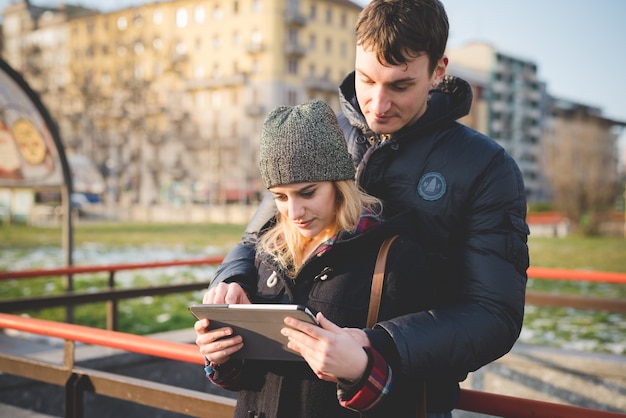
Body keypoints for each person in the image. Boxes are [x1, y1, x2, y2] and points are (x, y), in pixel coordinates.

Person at [203, 0, 530, 416]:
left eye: (400, 85)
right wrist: (230, 285)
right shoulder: (319, 133)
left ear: (438, 71)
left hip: (403, 399)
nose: (377, 104)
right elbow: (256, 238)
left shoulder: (486, 167)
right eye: (366, 79)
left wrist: (377, 345)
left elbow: (493, 314)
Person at [195, 99, 437, 417]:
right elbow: (249, 379)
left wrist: (359, 371)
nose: (293, 213)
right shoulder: (266, 253)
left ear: (340, 184)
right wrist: (220, 357)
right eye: (280, 197)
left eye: (308, 193)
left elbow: (415, 387)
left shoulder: (394, 258)